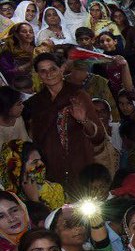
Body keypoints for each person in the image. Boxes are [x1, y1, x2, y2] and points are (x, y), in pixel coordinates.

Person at [23, 53, 107, 190]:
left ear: (62, 69)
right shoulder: (35, 103)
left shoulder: (78, 95)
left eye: (52, 69)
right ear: (38, 75)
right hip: (51, 167)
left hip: (80, 163)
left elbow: (98, 137)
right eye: (43, 71)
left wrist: (83, 120)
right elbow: (36, 138)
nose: (48, 74)